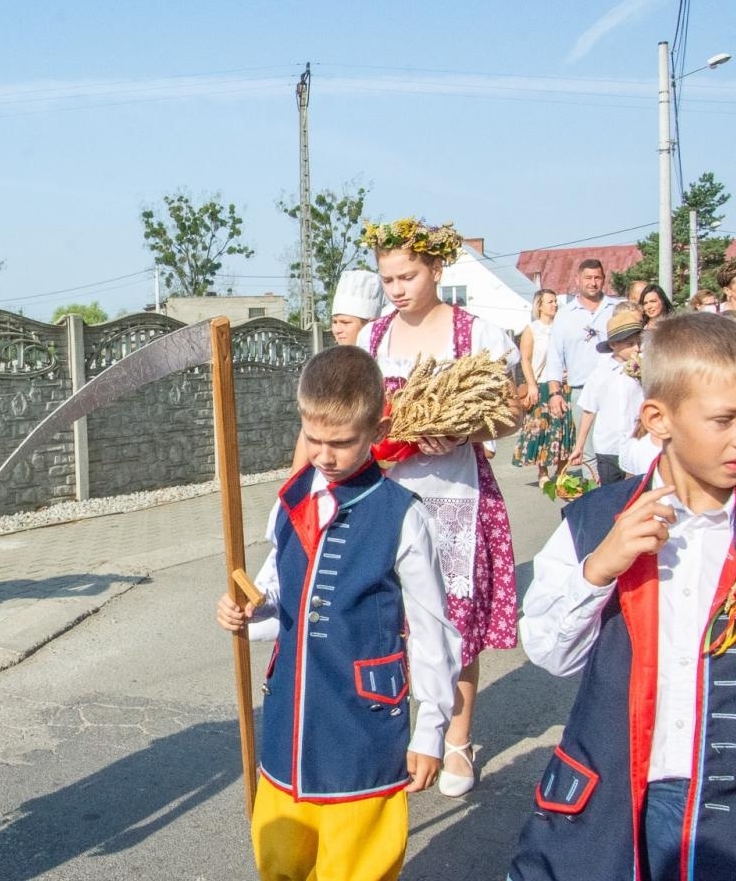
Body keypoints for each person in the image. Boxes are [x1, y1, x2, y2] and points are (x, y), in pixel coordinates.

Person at [510, 314, 736, 881]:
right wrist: (599, 569)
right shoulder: (592, 522)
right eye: (724, 420)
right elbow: (548, 653)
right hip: (605, 800)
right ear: (658, 418)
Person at [216, 345, 460, 881]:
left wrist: (431, 730)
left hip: (362, 723)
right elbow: (279, 595)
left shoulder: (403, 515)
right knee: (279, 857)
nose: (324, 456)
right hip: (289, 719)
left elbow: (432, 629)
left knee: (357, 865)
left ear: (377, 428)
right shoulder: (290, 499)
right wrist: (247, 613)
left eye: (342, 443)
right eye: (313, 439)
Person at [357, 217, 521, 798]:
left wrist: (463, 430)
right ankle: (404, 732)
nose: (397, 288)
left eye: (408, 275)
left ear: (437, 269)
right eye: (388, 278)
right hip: (387, 494)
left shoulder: (477, 335)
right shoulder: (370, 340)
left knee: (453, 621)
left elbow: (512, 414)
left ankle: (457, 739)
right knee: (393, 621)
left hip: (456, 497)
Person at [541, 259, 619, 467]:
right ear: (577, 280)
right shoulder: (565, 315)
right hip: (581, 390)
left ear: (603, 280)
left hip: (616, 387)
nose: (593, 283)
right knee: (587, 450)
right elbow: (555, 356)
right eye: (588, 278)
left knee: (618, 447)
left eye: (597, 278)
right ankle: (594, 494)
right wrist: (554, 393)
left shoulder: (616, 308)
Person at [566, 309, 644, 486]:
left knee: (637, 492)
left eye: (638, 343)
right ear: (614, 345)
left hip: (636, 443)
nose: (637, 348)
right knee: (611, 493)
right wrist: (579, 446)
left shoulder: (644, 370)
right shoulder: (600, 374)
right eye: (631, 344)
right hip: (609, 446)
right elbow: (589, 410)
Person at [513, 288, 575, 485]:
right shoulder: (532, 329)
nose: (554, 305)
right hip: (541, 383)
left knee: (564, 427)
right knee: (542, 428)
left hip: (562, 383)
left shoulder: (562, 327)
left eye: (556, 301)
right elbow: (525, 359)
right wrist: (531, 384)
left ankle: (561, 470)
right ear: (539, 305)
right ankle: (542, 471)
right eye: (550, 301)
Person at [329, 268, 384, 346]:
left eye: (345, 322)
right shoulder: (331, 357)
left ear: (370, 324)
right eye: (334, 322)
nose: (337, 330)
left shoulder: (387, 356)